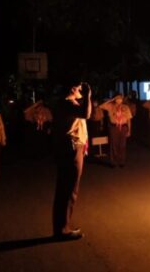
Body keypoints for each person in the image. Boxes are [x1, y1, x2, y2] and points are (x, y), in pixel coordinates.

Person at [51, 81, 91, 240]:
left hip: (70, 148)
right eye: (79, 88)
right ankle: (62, 230)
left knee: (66, 189)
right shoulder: (67, 104)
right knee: (68, 190)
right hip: (71, 149)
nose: (82, 90)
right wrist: (88, 95)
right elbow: (86, 114)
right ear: (73, 89)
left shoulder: (67, 103)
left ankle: (63, 226)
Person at [100, 94, 133, 168]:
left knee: (122, 145)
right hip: (114, 127)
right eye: (117, 98)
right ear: (115, 99)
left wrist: (129, 130)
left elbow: (129, 120)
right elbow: (101, 106)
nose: (119, 100)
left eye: (120, 98)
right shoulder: (110, 106)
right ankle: (113, 162)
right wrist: (111, 100)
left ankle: (121, 161)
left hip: (123, 127)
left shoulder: (126, 107)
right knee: (114, 145)